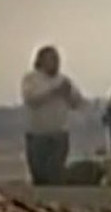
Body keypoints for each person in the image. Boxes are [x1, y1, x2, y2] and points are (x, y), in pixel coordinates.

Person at [20, 46, 85, 185]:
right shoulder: (31, 79)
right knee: (39, 176)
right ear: (41, 61)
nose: (55, 62)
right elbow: (31, 99)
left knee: (55, 176)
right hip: (37, 135)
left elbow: (78, 103)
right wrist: (54, 91)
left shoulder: (64, 80)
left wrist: (68, 94)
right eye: (51, 59)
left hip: (59, 135)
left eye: (56, 59)